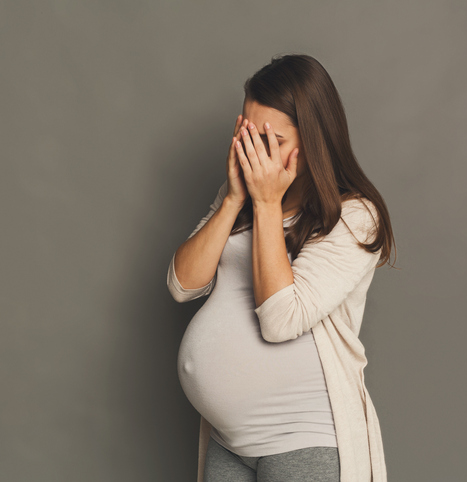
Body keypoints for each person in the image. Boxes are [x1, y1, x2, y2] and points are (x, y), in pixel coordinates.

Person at [167, 54, 396, 482]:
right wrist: (235, 199)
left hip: (304, 438)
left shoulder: (355, 215)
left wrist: (268, 202)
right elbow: (182, 284)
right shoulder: (241, 196)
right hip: (229, 440)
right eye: (247, 134)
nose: (254, 151)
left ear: (313, 140)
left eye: (269, 139)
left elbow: (280, 319)